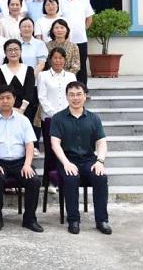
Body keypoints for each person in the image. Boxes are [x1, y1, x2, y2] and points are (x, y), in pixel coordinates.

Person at [50, 81, 112, 235]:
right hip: (67, 160)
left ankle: (102, 220)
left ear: (85, 96)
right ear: (66, 97)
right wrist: (66, 163)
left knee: (100, 177)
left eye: (79, 94)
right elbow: (55, 144)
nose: (75, 98)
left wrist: (100, 161)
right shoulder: (58, 118)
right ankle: (73, 220)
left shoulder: (94, 118)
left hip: (88, 160)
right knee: (71, 178)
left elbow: (101, 142)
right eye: (71, 95)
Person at [0, 85, 42, 233]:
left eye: (8, 98)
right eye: (1, 98)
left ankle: (30, 219)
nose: (5, 101)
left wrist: (28, 165)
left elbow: (29, 145)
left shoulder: (23, 120)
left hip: (20, 162)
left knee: (34, 181)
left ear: (14, 99)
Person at [0, 39, 37, 124]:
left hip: (25, 111)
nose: (13, 52)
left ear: (21, 51)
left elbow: (30, 92)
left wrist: (21, 110)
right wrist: (10, 109)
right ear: (5, 52)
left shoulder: (28, 70)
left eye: (16, 49)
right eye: (10, 50)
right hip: (3, 110)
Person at [58, 0, 95, 85]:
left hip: (81, 39)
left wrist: (82, 30)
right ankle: (66, 87)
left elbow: (89, 19)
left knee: (81, 65)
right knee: (65, 64)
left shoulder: (84, 1)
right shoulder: (59, 3)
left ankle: (83, 89)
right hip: (65, 41)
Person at [38, 48, 77, 121]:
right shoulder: (43, 75)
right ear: (50, 60)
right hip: (49, 117)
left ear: (65, 60)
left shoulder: (71, 76)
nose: (58, 61)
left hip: (68, 116)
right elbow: (42, 97)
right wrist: (53, 114)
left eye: (60, 58)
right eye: (55, 58)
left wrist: (68, 113)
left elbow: (74, 96)